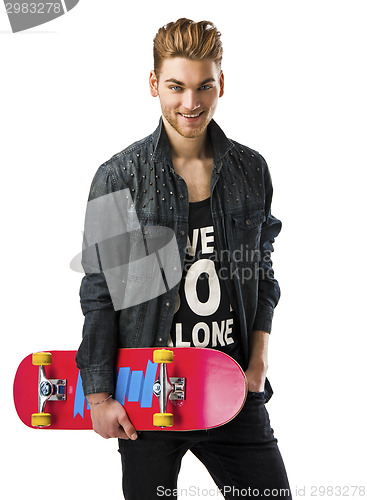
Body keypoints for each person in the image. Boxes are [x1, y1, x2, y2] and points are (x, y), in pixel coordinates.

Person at [76, 18, 292, 499]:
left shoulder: (250, 170)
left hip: (231, 388)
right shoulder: (118, 176)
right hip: (147, 393)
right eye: (176, 86)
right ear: (154, 84)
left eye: (204, 87)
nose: (191, 103)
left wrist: (257, 364)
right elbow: (99, 291)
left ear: (221, 85)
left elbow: (263, 268)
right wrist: (98, 396)